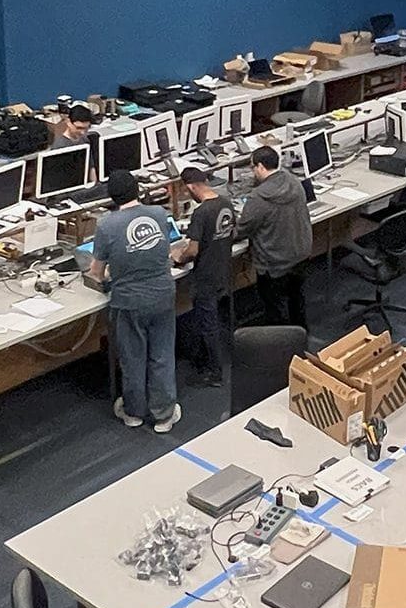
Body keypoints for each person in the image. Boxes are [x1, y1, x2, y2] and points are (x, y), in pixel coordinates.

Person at [89, 170, 180, 433]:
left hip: (128, 302)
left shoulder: (106, 225)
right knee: (162, 356)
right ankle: (163, 415)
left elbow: (96, 272)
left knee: (132, 358)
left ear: (111, 197)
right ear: (138, 190)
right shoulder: (160, 215)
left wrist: (107, 271)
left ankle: (133, 413)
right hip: (161, 296)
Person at [171, 167, 235, 387]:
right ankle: (204, 358)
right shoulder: (225, 203)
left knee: (208, 324)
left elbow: (193, 250)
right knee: (209, 319)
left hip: (205, 275)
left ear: (190, 187)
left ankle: (214, 373)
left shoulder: (201, 213)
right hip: (222, 270)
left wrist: (178, 256)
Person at [235, 145, 311, 329]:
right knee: (295, 297)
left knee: (274, 307)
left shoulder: (259, 197)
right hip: (299, 255)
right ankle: (301, 333)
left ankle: (279, 343)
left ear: (260, 167)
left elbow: (241, 230)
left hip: (274, 263)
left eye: (253, 167)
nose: (252, 172)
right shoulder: (294, 182)